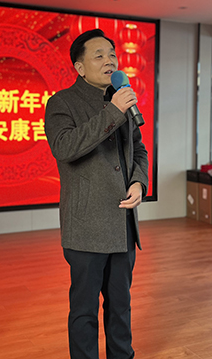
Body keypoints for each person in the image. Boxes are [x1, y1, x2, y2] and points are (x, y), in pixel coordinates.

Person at [44, 29, 149, 359]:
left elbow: (139, 150)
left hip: (122, 224)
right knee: (84, 311)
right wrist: (113, 111)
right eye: (99, 55)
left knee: (120, 307)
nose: (109, 61)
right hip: (87, 227)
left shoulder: (121, 98)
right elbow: (65, 148)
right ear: (79, 67)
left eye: (112, 55)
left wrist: (138, 182)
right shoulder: (62, 103)